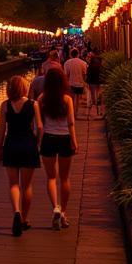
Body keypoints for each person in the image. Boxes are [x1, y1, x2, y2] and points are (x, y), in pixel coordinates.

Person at [0, 75, 42, 236]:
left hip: (11, 144)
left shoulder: (5, 105)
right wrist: (37, 142)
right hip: (28, 144)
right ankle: (24, 219)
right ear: (24, 88)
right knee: (27, 186)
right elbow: (40, 128)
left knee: (13, 184)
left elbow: (2, 129)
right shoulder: (33, 104)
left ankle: (16, 211)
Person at [35, 67, 78, 229]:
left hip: (48, 138)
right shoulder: (67, 99)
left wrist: (38, 140)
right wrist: (74, 141)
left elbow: (39, 124)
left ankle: (55, 208)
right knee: (65, 178)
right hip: (65, 138)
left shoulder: (41, 99)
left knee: (51, 177)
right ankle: (64, 212)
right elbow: (71, 123)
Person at [85, 50, 104, 117]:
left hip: (92, 82)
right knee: (99, 96)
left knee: (93, 97)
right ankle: (99, 111)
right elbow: (102, 74)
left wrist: (87, 82)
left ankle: (95, 110)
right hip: (98, 82)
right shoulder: (100, 66)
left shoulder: (90, 66)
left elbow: (88, 74)